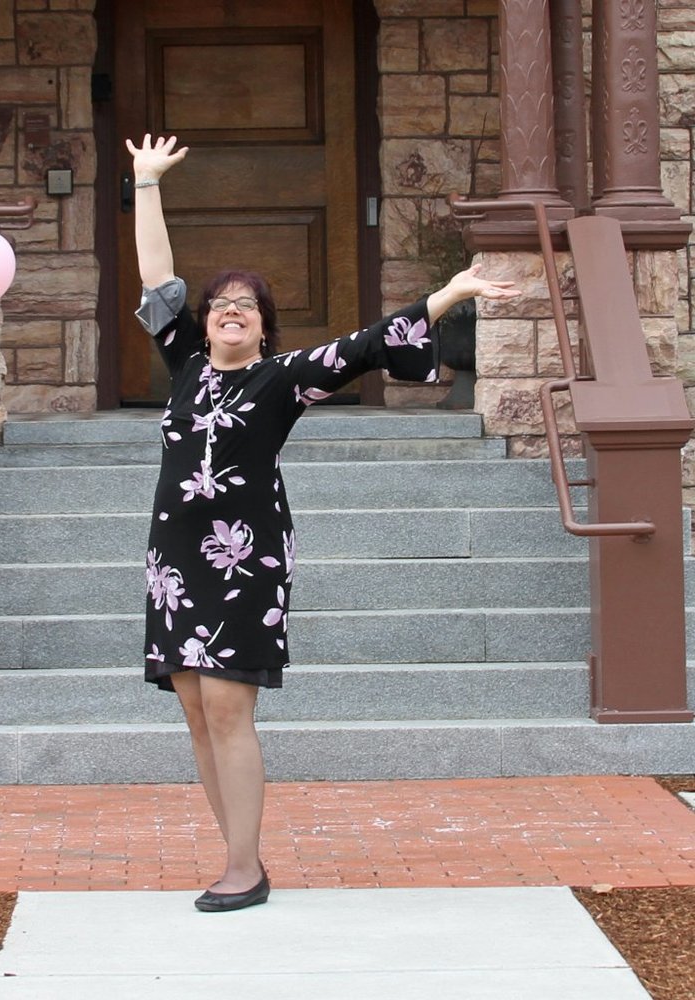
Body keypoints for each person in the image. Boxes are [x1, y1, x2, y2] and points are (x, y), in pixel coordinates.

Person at [127, 133, 520, 912]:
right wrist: (145, 183)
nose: (230, 312)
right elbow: (158, 279)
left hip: (244, 560)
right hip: (174, 563)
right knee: (195, 709)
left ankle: (245, 867)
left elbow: (371, 346)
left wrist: (448, 294)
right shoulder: (185, 366)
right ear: (204, 326)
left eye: (247, 306)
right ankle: (233, 854)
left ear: (265, 327)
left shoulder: (284, 379)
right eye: (221, 306)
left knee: (229, 703)